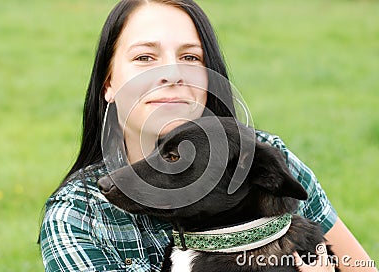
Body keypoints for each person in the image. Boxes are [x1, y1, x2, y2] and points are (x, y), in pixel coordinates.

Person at [39, 1, 375, 271]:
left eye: (189, 57)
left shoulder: (263, 157)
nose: (171, 74)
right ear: (108, 83)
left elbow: (358, 266)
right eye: (145, 57)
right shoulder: (78, 218)